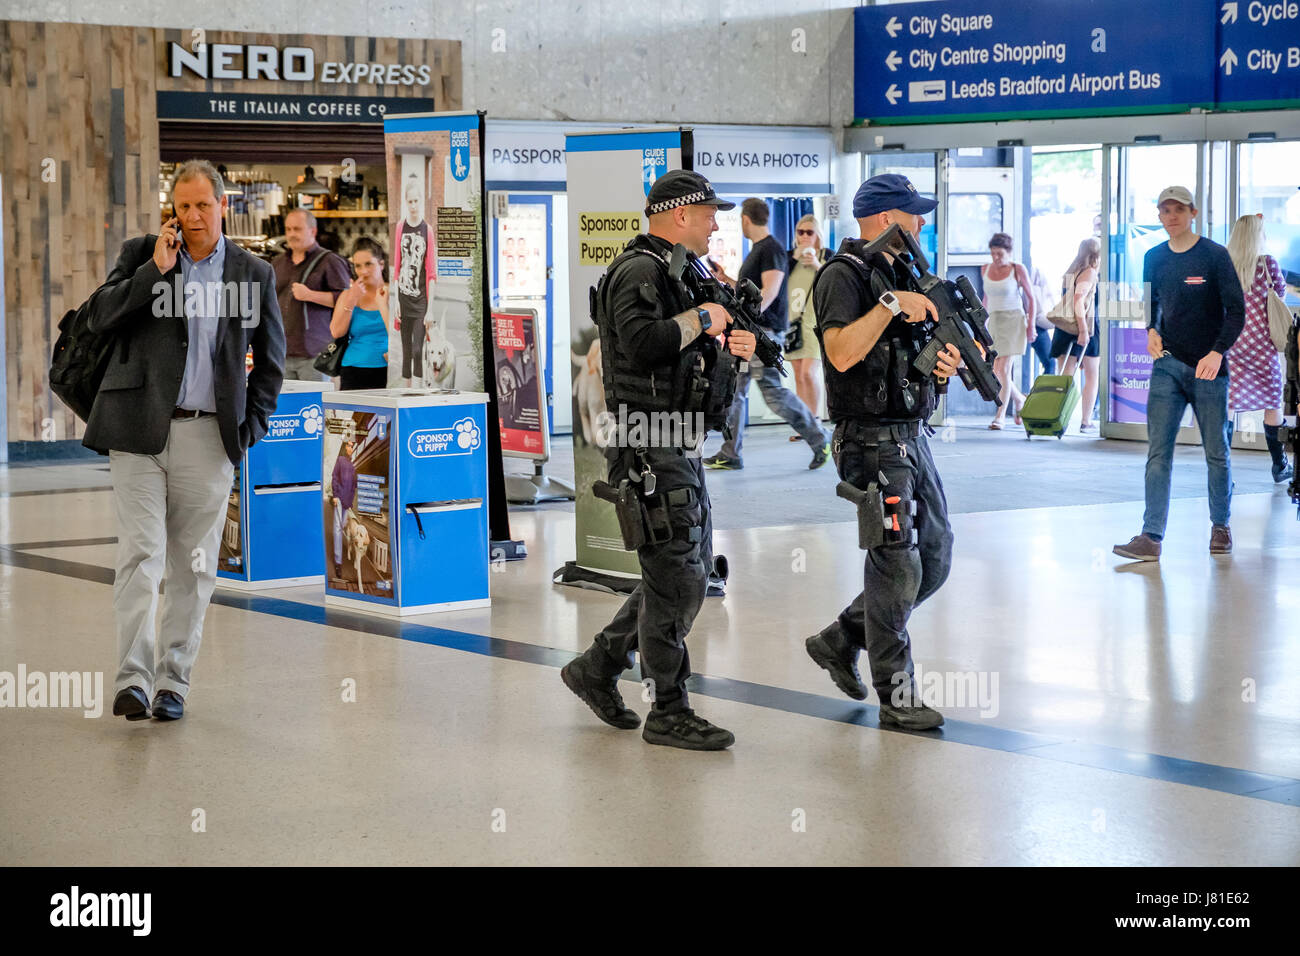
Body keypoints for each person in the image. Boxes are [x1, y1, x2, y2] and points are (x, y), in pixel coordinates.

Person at [83, 158, 286, 722]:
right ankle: (134, 680)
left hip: (210, 435)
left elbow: (270, 364)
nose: (192, 216)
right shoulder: (143, 253)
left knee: (193, 567)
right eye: (183, 206)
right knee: (140, 556)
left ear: (225, 206)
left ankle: (173, 681)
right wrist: (154, 270)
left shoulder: (253, 273)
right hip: (138, 430)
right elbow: (99, 317)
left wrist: (246, 431)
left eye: (203, 205)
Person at [561, 169, 757, 751]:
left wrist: (730, 342)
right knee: (679, 580)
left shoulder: (681, 273)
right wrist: (703, 320)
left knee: (680, 572)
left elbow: (685, 350)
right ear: (679, 214)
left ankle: (597, 668)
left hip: (678, 441)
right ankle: (667, 709)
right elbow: (645, 344)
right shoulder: (639, 271)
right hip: (648, 442)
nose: (716, 224)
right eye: (708, 214)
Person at [804, 173, 961, 731]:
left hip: (912, 437)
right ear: (884, 217)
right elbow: (842, 354)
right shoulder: (841, 277)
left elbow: (907, 361)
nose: (921, 223)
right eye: (913, 213)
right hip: (869, 444)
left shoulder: (902, 275)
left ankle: (841, 636)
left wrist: (941, 369)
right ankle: (897, 697)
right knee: (896, 565)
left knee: (934, 559)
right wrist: (892, 305)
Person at [1113, 186, 1245, 561]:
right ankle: (1151, 536)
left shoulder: (1215, 256)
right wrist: (1151, 331)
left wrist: (1218, 352)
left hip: (1208, 368)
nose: (1171, 216)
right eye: (1164, 210)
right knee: (1158, 453)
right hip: (1167, 366)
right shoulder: (1154, 257)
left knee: (1216, 450)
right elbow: (1150, 304)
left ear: (1193, 213)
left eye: (1178, 209)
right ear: (1159, 216)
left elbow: (1236, 312)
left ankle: (1221, 526)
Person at [704, 198, 828, 470]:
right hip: (750, 332)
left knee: (773, 393)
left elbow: (768, 293)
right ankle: (731, 452)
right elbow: (753, 295)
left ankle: (820, 440)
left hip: (763, 335)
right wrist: (727, 280)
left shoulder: (770, 249)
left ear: (746, 220)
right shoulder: (761, 250)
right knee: (735, 392)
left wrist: (752, 325)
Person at [1225, 213, 1292, 483]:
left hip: (1232, 343)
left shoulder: (1225, 265)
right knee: (1272, 403)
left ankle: (1222, 466)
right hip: (1261, 345)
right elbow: (1280, 295)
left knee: (1228, 404)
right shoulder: (1267, 264)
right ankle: (1279, 465)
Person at [271, 208, 351, 380]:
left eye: (297, 229)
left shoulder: (330, 261)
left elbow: (347, 301)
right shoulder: (277, 263)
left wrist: (310, 295)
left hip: (315, 353)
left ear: (312, 231)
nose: (292, 234)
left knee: (315, 405)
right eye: (288, 229)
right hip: (282, 352)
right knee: (285, 407)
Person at [980, 233, 1035, 429]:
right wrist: (982, 324)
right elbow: (986, 298)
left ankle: (1000, 415)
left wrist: (1032, 325)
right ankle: (1019, 399)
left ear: (1009, 252)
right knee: (995, 370)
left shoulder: (1017, 269)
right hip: (993, 319)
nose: (996, 257)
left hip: (1013, 319)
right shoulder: (985, 269)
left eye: (1000, 254)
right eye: (993, 253)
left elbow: (1030, 298)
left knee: (1003, 368)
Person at [1050, 238, 1102, 432]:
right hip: (1084, 327)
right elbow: (1078, 301)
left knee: (1066, 375)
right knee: (1091, 375)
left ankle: (1058, 418)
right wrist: (1083, 331)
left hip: (1065, 328)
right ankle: (1086, 420)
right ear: (1097, 254)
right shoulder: (1089, 272)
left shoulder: (1070, 271)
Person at [784, 213, 828, 438]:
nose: (804, 236)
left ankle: (815, 421)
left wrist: (818, 265)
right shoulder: (789, 258)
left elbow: (833, 283)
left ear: (817, 235)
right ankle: (806, 424)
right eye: (800, 232)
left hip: (815, 322)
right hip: (792, 324)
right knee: (799, 374)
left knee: (810, 373)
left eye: (809, 232)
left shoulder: (825, 256)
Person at [331, 238, 391, 391]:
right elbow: (337, 331)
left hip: (388, 369)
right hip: (353, 369)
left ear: (381, 264)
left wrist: (383, 305)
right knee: (353, 415)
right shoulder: (348, 295)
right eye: (358, 266)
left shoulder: (394, 293)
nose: (363, 271)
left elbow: (403, 333)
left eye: (368, 264)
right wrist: (352, 299)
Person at [392, 175, 435, 386]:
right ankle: (406, 393)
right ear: (406, 202)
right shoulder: (400, 227)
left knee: (418, 349)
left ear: (421, 201)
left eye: (416, 201)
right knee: (406, 351)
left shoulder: (428, 231)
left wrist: (431, 309)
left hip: (420, 300)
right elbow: (397, 265)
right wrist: (395, 302)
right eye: (410, 201)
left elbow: (431, 273)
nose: (413, 205)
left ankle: (418, 393)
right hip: (403, 297)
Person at [330, 438, 358, 581]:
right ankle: (338, 562)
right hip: (339, 499)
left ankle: (341, 558)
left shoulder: (352, 465)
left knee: (342, 529)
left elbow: (354, 484)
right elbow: (334, 477)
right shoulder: (340, 460)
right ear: (344, 447)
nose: (350, 448)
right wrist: (335, 495)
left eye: (352, 446)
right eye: (349, 445)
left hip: (347, 502)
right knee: (337, 529)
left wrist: (351, 497)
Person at [1027, 262, 1056, 375]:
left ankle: (1044, 392)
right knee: (1005, 364)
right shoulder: (1014, 270)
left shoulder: (1036, 273)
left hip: (1036, 323)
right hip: (1018, 321)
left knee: (1050, 362)